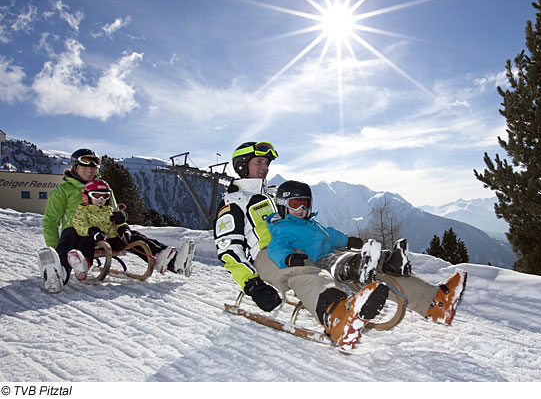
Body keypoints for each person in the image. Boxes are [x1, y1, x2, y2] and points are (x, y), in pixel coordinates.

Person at [214, 142, 389, 350]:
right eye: (259, 162)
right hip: (268, 254)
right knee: (304, 270)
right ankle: (336, 315)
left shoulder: (273, 194)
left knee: (353, 260)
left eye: (267, 163)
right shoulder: (234, 202)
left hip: (299, 242)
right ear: (242, 165)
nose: (265, 167)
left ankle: (431, 300)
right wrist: (253, 285)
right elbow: (228, 250)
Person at [267, 180, 467, 326]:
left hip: (333, 252)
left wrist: (348, 240)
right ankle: (361, 268)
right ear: (283, 205)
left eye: (306, 203)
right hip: (321, 261)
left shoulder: (313, 224)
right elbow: (277, 247)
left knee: (359, 255)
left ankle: (398, 268)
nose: (302, 209)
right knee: (343, 263)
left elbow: (331, 235)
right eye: (295, 204)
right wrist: (288, 257)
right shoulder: (283, 227)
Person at [39, 148, 192, 293]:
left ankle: (171, 262)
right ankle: (58, 272)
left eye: (93, 168)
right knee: (68, 238)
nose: (90, 171)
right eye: (84, 166)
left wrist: (122, 225)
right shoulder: (63, 191)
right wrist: (54, 249)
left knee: (134, 237)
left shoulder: (104, 188)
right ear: (74, 167)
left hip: (104, 232)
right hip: (78, 233)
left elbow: (112, 212)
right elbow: (50, 222)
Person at [67, 179, 181, 281]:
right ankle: (83, 265)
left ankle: (158, 257)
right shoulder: (83, 210)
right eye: (96, 195)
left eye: (105, 196)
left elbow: (119, 224)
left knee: (136, 237)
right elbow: (79, 225)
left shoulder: (110, 210)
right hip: (94, 240)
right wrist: (92, 231)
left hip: (112, 240)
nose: (101, 199)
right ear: (87, 196)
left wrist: (124, 228)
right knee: (85, 242)